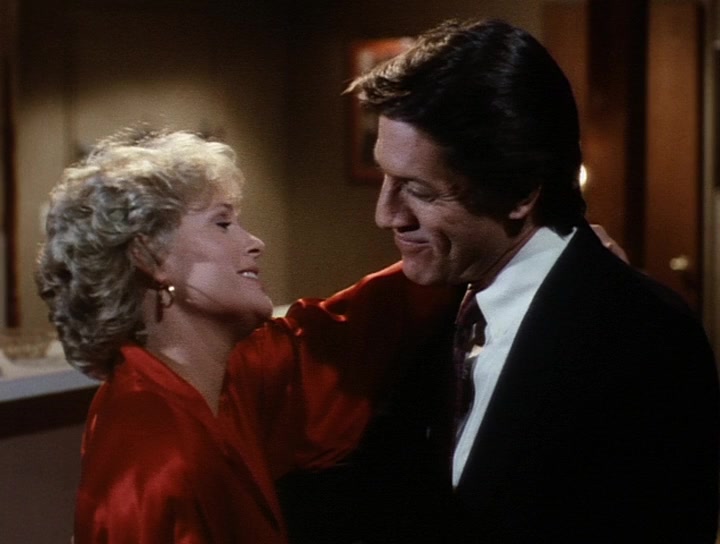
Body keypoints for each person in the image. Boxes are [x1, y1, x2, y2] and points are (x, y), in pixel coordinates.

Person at [284, 17, 717, 543]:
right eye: (385, 179)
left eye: (419, 190)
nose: (386, 215)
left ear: (520, 192)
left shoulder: (645, 338)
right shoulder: (435, 316)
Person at [36, 129, 457, 543]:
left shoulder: (225, 379)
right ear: (149, 257)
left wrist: (460, 246)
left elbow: (348, 329)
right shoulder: (152, 456)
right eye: (222, 223)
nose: (255, 242)